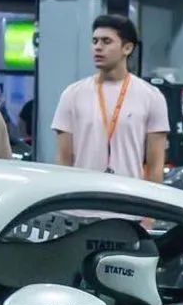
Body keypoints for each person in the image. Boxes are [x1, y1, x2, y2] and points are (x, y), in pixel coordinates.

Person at [52, 15, 169, 181]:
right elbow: (63, 161)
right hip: (82, 194)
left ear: (127, 48)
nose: (98, 47)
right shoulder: (72, 94)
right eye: (95, 41)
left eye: (106, 41)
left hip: (129, 194)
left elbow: (155, 167)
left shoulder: (152, 96)